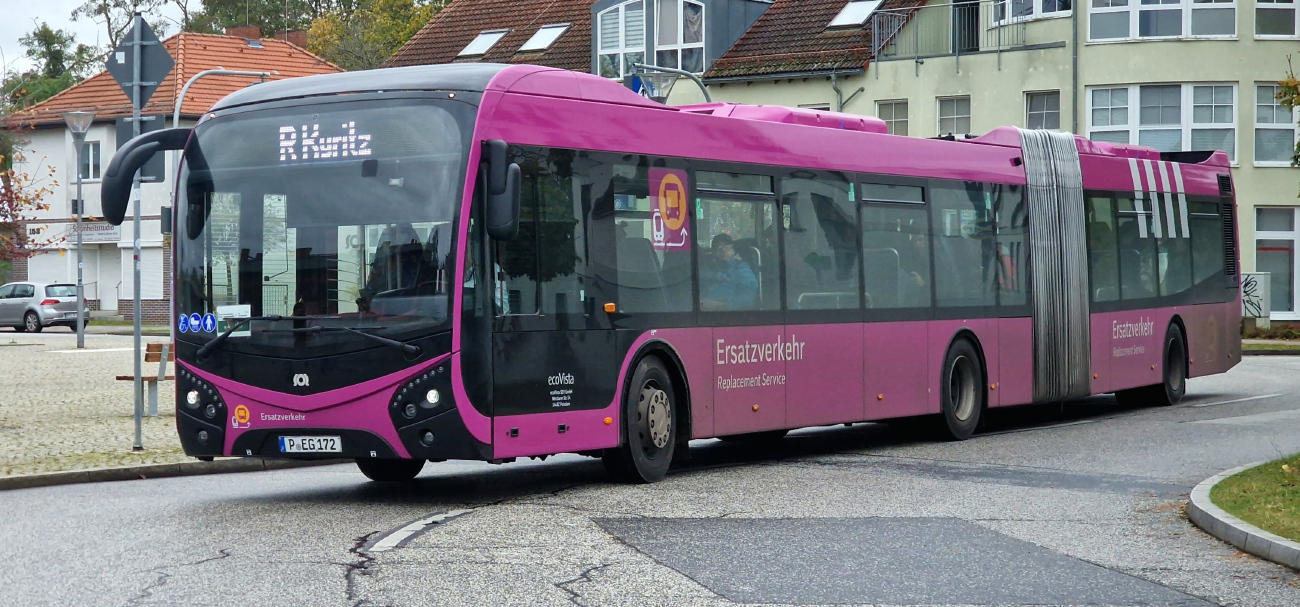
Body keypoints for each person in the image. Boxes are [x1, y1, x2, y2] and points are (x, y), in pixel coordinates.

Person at [700, 233, 758, 310]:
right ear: (713, 252)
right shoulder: (705, 269)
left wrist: (718, 305)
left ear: (733, 250)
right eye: (718, 248)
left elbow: (747, 300)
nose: (723, 250)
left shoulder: (742, 270)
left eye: (727, 247)